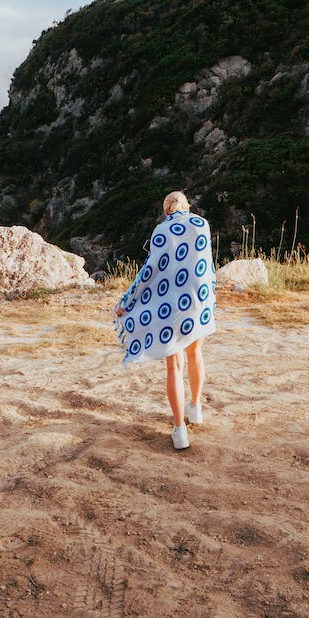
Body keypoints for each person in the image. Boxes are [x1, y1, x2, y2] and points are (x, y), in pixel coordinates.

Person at [114, 190, 217, 450]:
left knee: (174, 368)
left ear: (166, 211)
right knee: (195, 354)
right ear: (187, 206)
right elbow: (208, 266)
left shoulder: (162, 231)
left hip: (171, 308)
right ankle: (196, 408)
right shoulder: (201, 224)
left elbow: (149, 271)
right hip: (197, 302)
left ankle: (180, 430)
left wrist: (126, 302)